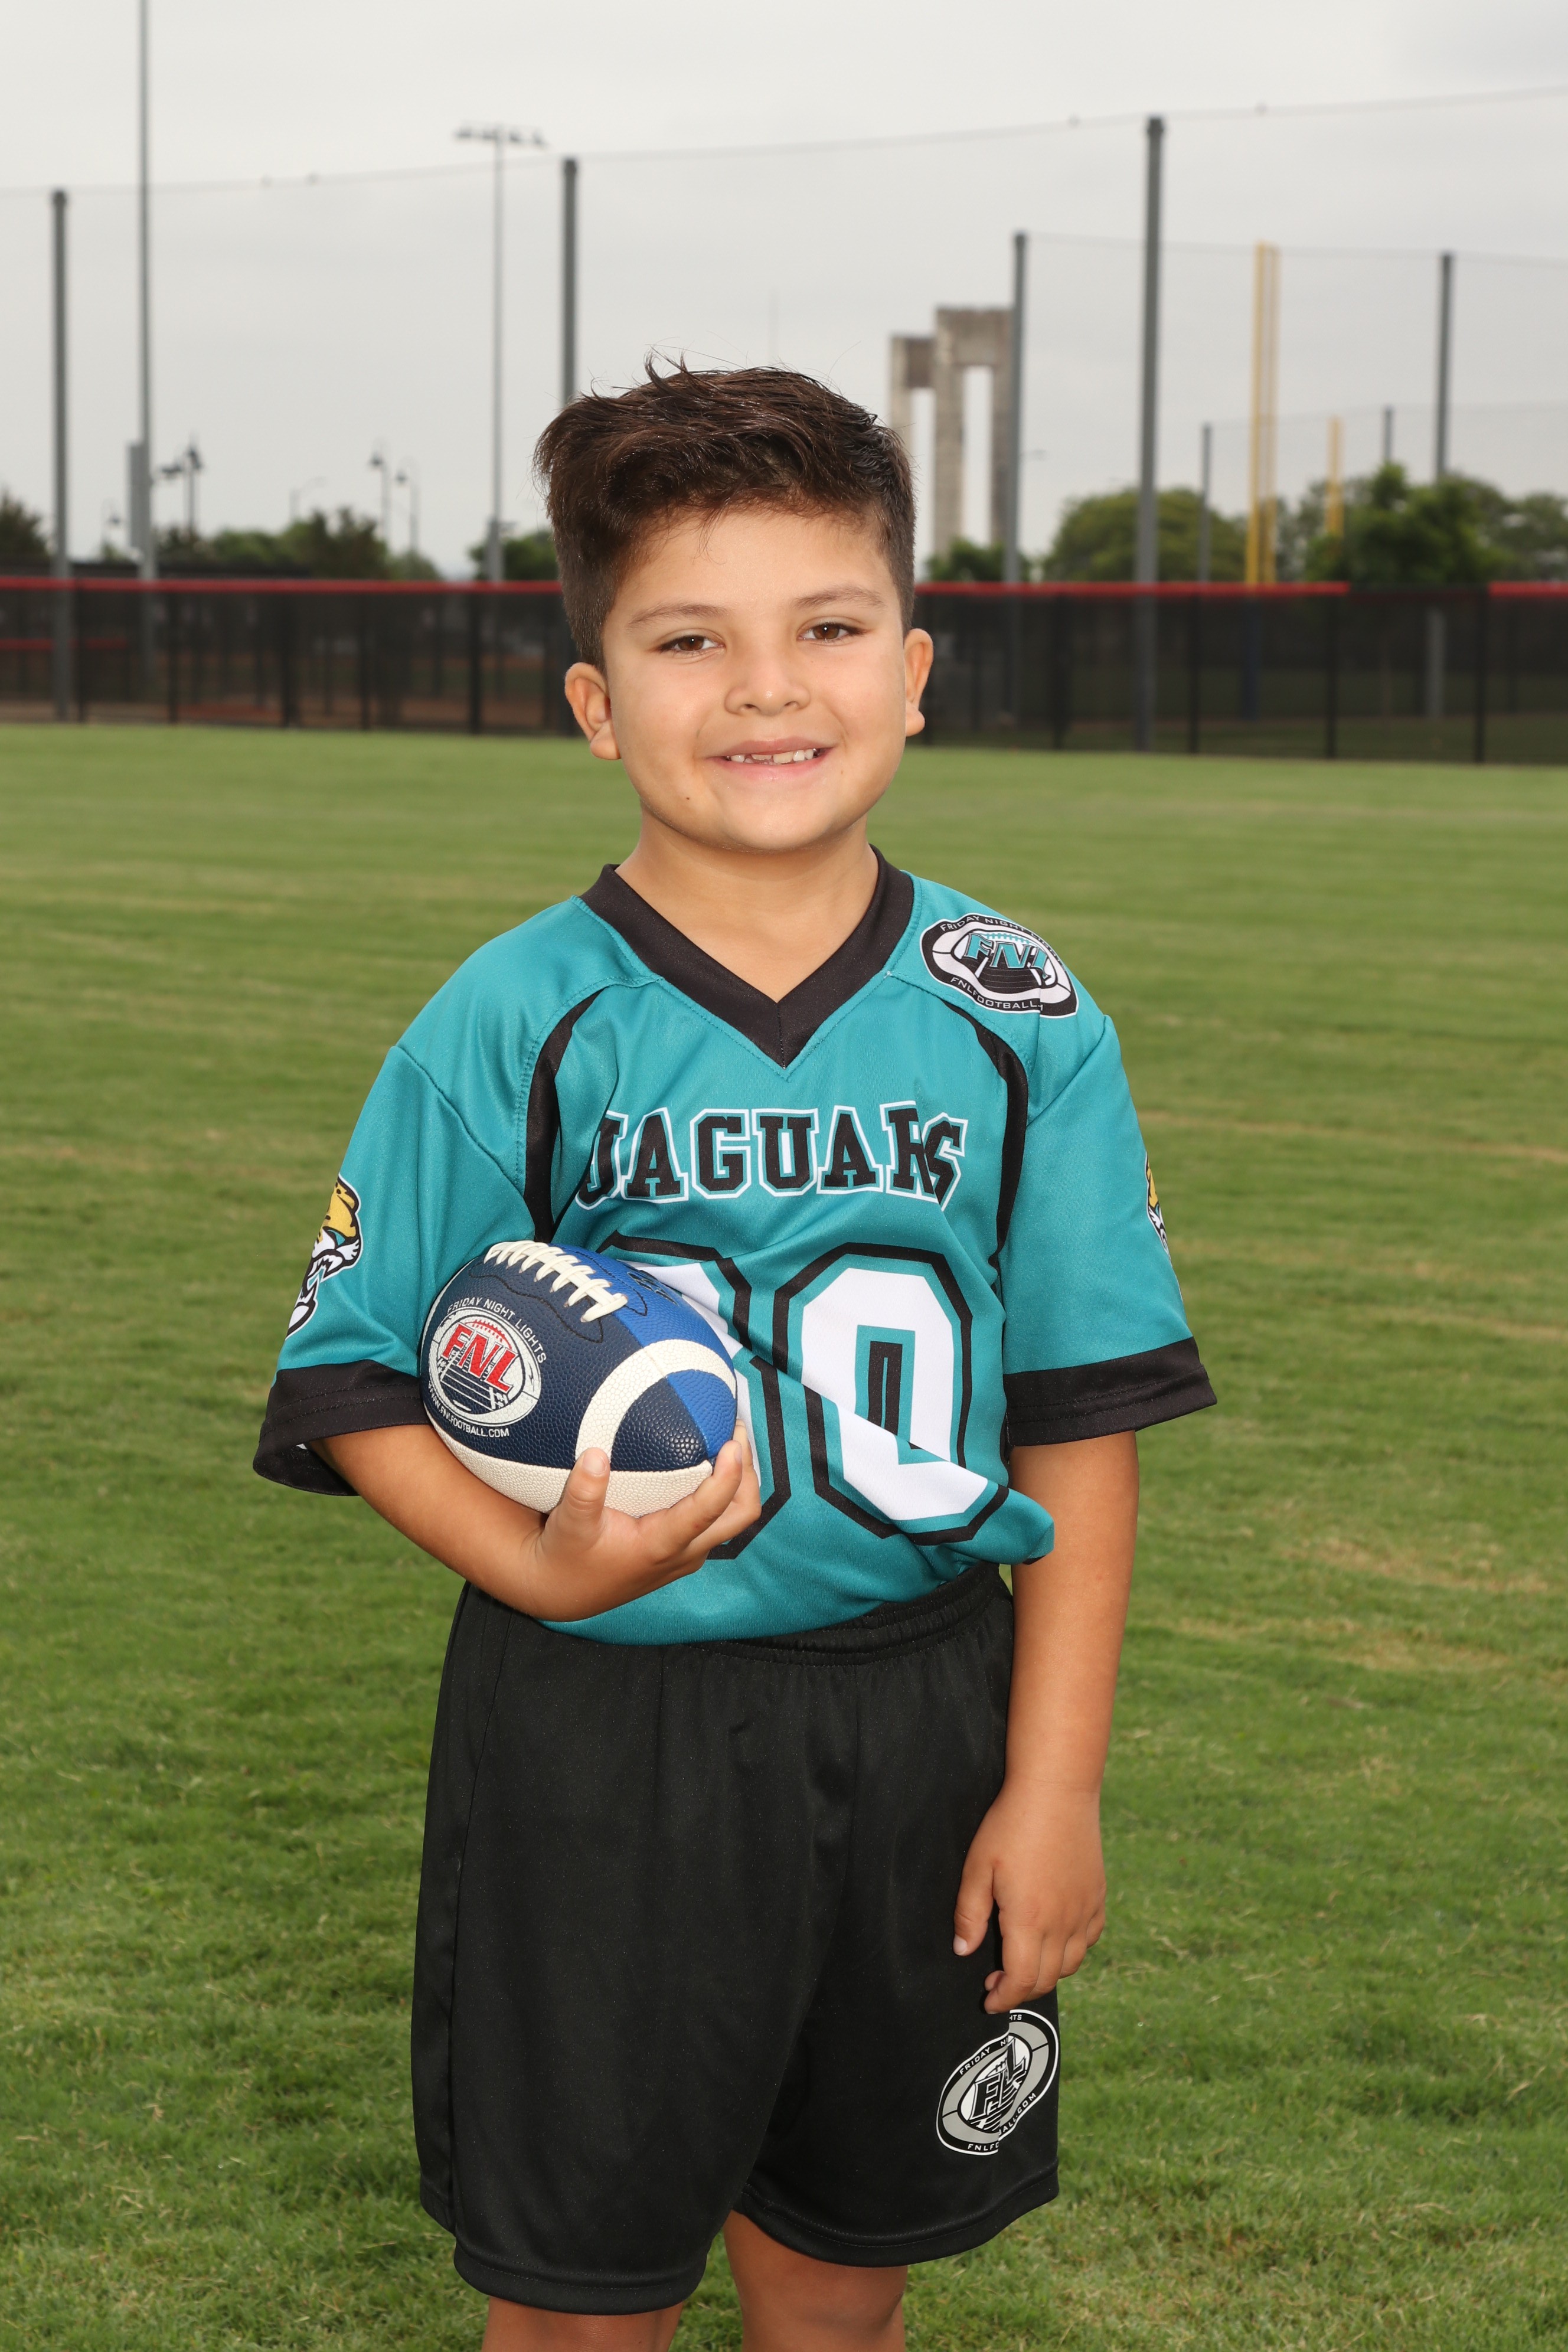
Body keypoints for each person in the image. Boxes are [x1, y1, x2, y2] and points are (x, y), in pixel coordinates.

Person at [254, 362, 1215, 2351]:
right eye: (690, 640)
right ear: (597, 701)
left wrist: (1054, 1789)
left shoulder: (1020, 1012)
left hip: (928, 1712)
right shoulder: (515, 1013)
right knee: (578, 2303)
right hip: (604, 1733)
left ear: (915, 673)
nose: (767, 688)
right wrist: (540, 1571)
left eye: (828, 628)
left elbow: (1079, 1426)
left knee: (840, 2288)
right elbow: (353, 1379)